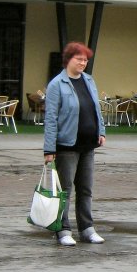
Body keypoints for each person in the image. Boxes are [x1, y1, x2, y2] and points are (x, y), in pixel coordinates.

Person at [43, 42, 106, 246]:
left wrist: (101, 131)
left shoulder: (88, 80)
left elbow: (96, 109)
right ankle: (63, 229)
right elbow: (51, 118)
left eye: (86, 60)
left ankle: (87, 228)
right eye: (79, 59)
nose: (83, 63)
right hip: (67, 146)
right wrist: (49, 148)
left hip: (88, 145)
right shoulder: (57, 84)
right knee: (65, 190)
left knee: (86, 189)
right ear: (68, 60)